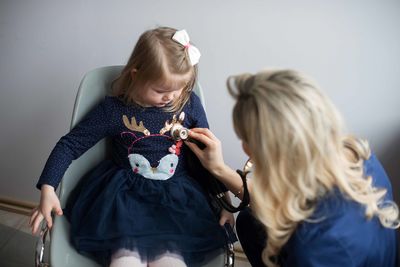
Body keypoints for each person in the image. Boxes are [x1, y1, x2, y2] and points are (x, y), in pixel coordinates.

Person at [29, 26, 234, 267]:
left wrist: (224, 201)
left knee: (172, 263)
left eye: (180, 89)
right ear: (136, 75)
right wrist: (48, 187)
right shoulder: (114, 110)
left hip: (176, 203)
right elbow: (70, 145)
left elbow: (207, 157)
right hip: (123, 200)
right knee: (125, 261)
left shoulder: (189, 104)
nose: (171, 97)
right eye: (161, 90)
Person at [186, 69, 399, 267]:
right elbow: (281, 201)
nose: (243, 147)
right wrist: (220, 169)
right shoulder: (359, 155)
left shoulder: (313, 249)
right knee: (250, 222)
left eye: (244, 139)